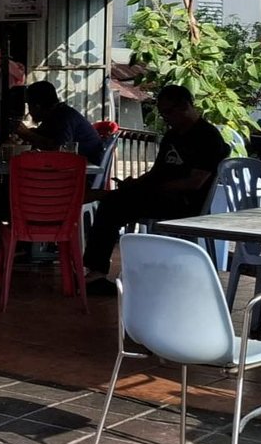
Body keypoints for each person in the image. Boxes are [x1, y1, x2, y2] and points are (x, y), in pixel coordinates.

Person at [83, 85, 230, 290]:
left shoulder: (207, 137)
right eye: (162, 113)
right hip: (160, 195)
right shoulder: (172, 136)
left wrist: (154, 187)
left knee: (112, 205)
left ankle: (96, 270)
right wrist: (136, 183)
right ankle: (96, 269)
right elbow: (156, 173)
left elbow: (194, 183)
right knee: (115, 201)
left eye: (168, 112)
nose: (165, 118)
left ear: (185, 106)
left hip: (184, 202)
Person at [18, 81, 107, 163]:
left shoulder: (63, 117)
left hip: (87, 168)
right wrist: (27, 134)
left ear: (37, 106)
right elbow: (42, 135)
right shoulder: (55, 114)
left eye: (29, 106)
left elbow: (61, 150)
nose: (29, 112)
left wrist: (27, 134)